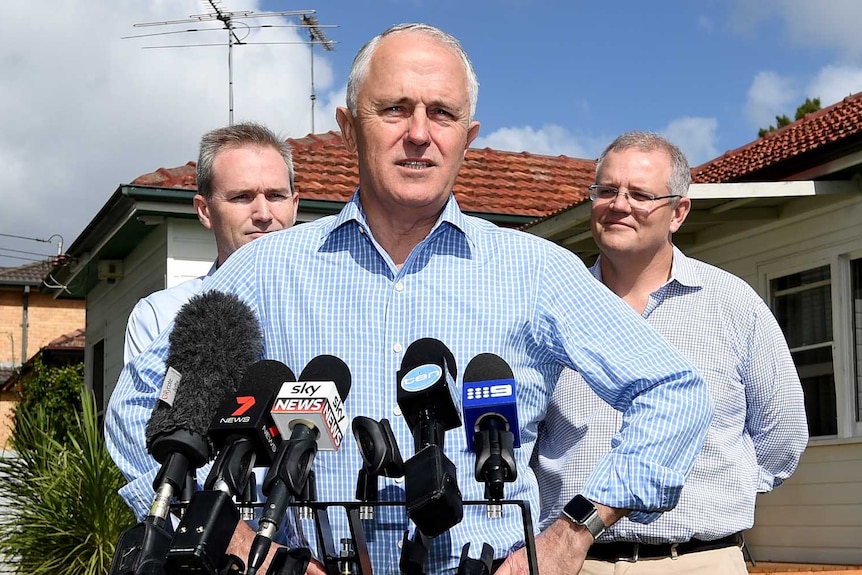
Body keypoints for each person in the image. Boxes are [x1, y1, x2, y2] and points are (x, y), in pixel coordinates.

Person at [114, 25, 712, 575]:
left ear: (467, 137)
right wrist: (240, 542)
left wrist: (573, 532)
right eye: (394, 108)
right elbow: (138, 410)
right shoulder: (262, 272)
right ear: (349, 127)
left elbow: (672, 391)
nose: (419, 134)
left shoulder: (537, 271)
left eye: (442, 113)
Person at [533, 131, 808, 574]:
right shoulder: (552, 308)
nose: (619, 205)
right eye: (606, 191)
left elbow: (783, 437)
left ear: (679, 212)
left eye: (641, 194)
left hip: (699, 561)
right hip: (577, 565)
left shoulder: (731, 304)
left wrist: (716, 493)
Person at [106, 121, 299, 520]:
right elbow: (145, 439)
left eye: (276, 196)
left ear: (295, 206)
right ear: (204, 210)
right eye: (242, 197)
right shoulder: (161, 316)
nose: (263, 213)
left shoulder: (324, 309)